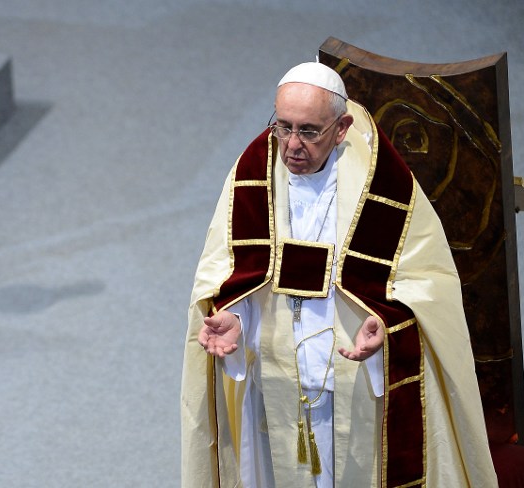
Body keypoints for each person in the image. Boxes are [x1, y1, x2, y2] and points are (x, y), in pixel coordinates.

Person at [181, 58, 498, 487]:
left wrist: (386, 323)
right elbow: (233, 272)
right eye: (282, 126)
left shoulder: (384, 187)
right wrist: (235, 316)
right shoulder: (252, 177)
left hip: (349, 385)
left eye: (309, 131)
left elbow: (429, 286)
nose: (292, 145)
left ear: (341, 128)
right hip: (274, 384)